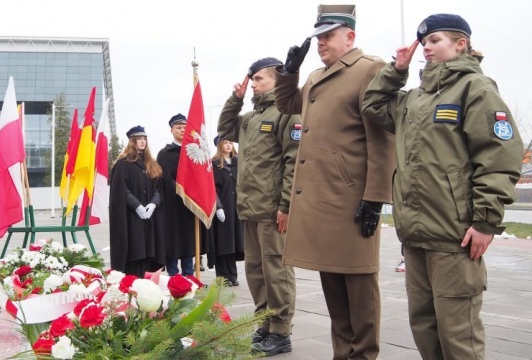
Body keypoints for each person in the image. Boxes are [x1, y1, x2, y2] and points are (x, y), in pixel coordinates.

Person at [362, 14, 523, 360]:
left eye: (435, 40)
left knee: (459, 336)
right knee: (425, 329)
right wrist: (396, 69)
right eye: (425, 42)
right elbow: (372, 105)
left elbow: (499, 158)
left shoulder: (475, 89)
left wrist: (485, 223)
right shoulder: (414, 98)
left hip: (456, 235)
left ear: (460, 44)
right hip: (416, 235)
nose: (427, 48)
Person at [274, 5, 395, 359]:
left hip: (351, 199)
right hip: (321, 201)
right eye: (318, 37)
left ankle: (365, 355)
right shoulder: (315, 76)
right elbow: (287, 105)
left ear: (350, 36)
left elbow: (382, 139)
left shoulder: (368, 69)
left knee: (359, 286)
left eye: (328, 36)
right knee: (334, 288)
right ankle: (343, 354)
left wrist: (375, 197)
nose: (321, 43)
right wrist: (290, 70)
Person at [218, 56, 301, 356]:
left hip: (273, 209)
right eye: (251, 80)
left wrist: (287, 204)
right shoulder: (250, 119)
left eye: (258, 79)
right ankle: (264, 323)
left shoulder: (287, 113)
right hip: (250, 208)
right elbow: (224, 129)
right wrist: (235, 99)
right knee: (255, 270)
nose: (252, 84)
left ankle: (281, 330)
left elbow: (294, 161)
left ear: (277, 80)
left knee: (277, 271)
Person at [109, 125, 165, 278]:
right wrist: (137, 206)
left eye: (144, 139)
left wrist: (153, 203)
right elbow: (122, 189)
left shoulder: (151, 163)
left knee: (149, 250)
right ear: (132, 141)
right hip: (132, 216)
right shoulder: (123, 163)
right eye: (139, 139)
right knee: (136, 249)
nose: (142, 142)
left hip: (149, 215)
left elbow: (159, 188)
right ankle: (133, 280)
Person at [156, 113, 208, 276]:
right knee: (172, 241)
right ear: (171, 130)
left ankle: (189, 275)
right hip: (172, 205)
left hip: (191, 204)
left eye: (185, 127)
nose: (182, 130)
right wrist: (181, 191)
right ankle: (173, 276)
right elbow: (164, 177)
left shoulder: (193, 151)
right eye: (178, 127)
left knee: (188, 241)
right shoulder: (165, 153)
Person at [208, 135, 243, 287]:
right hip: (222, 207)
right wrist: (218, 207)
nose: (228, 145)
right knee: (223, 242)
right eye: (225, 143)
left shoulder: (238, 162)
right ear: (219, 145)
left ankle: (232, 275)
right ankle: (222, 276)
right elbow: (211, 188)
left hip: (236, 207)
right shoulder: (214, 164)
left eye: (230, 142)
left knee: (234, 242)